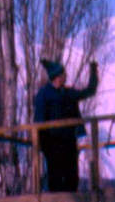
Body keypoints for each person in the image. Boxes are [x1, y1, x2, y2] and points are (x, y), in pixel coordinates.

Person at [34, 59, 99, 193]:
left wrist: (93, 71)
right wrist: (44, 145)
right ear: (57, 77)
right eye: (63, 73)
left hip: (69, 143)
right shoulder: (44, 95)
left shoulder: (68, 93)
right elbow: (39, 121)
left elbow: (89, 91)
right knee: (56, 179)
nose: (66, 76)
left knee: (71, 178)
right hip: (52, 145)